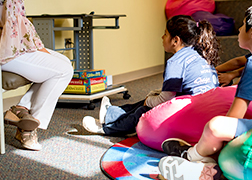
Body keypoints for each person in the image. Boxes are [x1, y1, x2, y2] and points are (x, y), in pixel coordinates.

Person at [159, 3, 252, 180]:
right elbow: (237, 64)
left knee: (216, 127)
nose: (240, 29)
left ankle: (191, 156)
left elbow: (233, 117)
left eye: (242, 25)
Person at [82, 15, 220, 136]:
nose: (162, 37)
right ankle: (112, 113)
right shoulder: (199, 53)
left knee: (145, 108)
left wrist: (148, 101)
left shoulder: (176, 62)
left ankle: (108, 128)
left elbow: (164, 101)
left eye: (165, 34)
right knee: (151, 97)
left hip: (192, 116)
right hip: (208, 112)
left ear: (175, 40)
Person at [0, 0, 73, 151]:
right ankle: (29, 127)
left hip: (6, 46)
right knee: (63, 69)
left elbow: (6, 16)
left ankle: (20, 111)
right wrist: (37, 48)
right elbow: (16, 30)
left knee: (61, 63)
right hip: (5, 52)